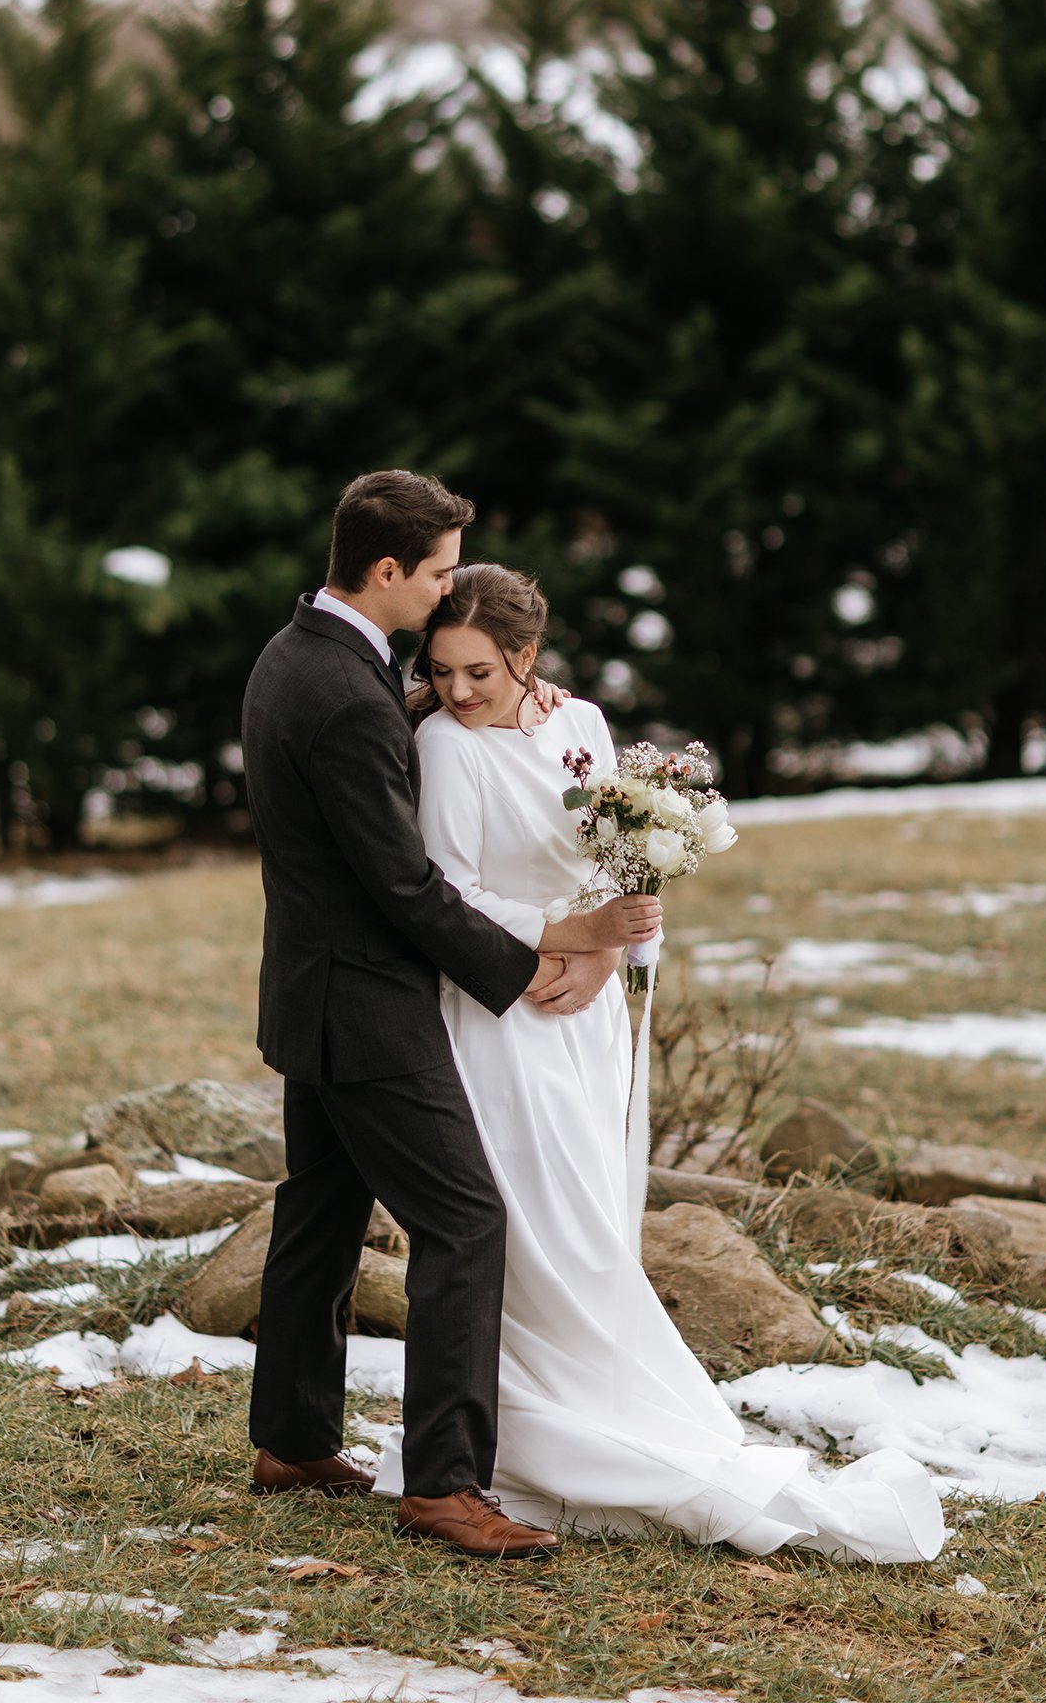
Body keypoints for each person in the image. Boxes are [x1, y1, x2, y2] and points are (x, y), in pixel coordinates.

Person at [371, 560, 947, 1563]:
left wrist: (607, 951)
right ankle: (509, 1440)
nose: (459, 693)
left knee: (593, 1216)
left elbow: (618, 865)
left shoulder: (580, 725)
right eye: (442, 671)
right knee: (538, 1229)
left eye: (480, 673)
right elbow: (446, 899)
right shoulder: (443, 750)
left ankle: (556, 1418)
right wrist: (568, 933)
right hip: (498, 1016)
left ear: (528, 657)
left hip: (585, 1014)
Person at [240, 470, 661, 1562]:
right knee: (467, 1221)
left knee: (322, 1210)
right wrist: (532, 960)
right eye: (434, 574)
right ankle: (444, 1484)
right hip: (367, 1007)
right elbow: (406, 888)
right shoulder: (343, 693)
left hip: (307, 992)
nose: (443, 592)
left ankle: (289, 1440)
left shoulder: (300, 652)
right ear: (386, 571)